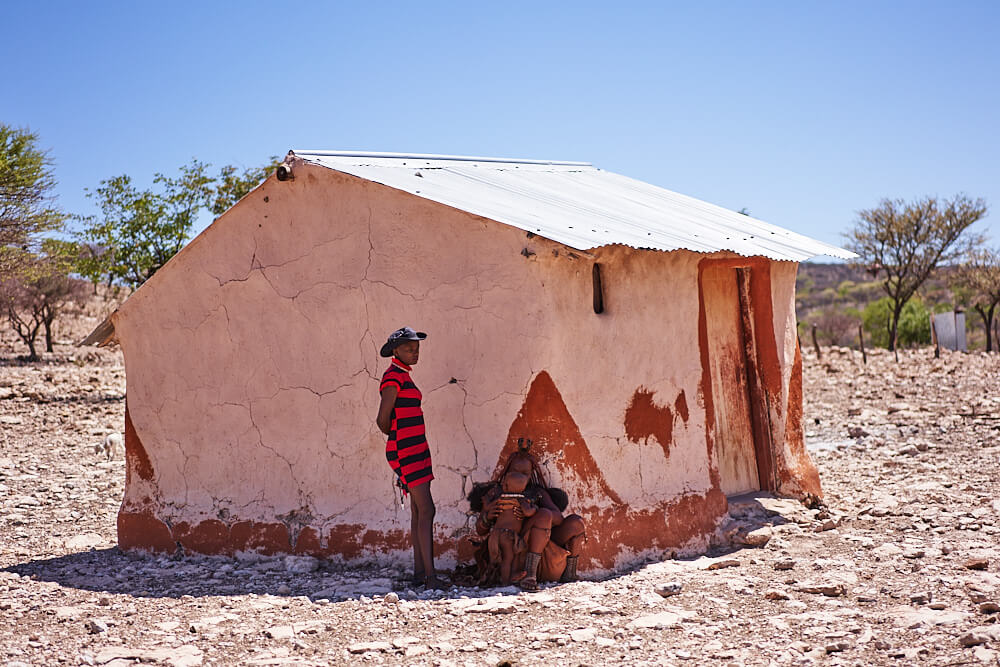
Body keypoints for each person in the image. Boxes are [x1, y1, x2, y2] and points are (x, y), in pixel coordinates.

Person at [375, 326, 446, 589]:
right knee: (427, 509)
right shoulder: (393, 377)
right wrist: (397, 438)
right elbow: (383, 419)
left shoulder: (403, 375)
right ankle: (430, 577)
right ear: (396, 351)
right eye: (408, 348)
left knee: (419, 510)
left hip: (416, 448)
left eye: (416, 348)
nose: (414, 352)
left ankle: (421, 575)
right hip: (407, 450)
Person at [473, 441, 587, 590]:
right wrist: (487, 517)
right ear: (507, 472)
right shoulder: (497, 492)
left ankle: (568, 574)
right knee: (543, 516)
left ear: (531, 474)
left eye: (525, 474)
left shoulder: (537, 492)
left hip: (542, 556)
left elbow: (558, 518)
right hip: (513, 553)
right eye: (515, 471)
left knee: (575, 523)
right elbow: (480, 530)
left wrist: (532, 511)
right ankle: (526, 577)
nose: (519, 477)